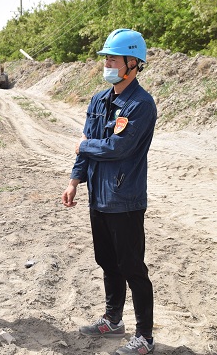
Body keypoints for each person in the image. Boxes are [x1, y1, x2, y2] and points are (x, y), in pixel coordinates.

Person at [61, 29, 157, 354]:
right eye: (106, 58)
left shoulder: (141, 105)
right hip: (99, 197)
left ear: (133, 63)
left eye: (114, 59)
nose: (108, 64)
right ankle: (113, 320)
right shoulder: (99, 100)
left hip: (125, 199)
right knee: (107, 261)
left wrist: (84, 145)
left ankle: (144, 337)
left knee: (133, 268)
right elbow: (86, 145)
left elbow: (118, 147)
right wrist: (74, 180)